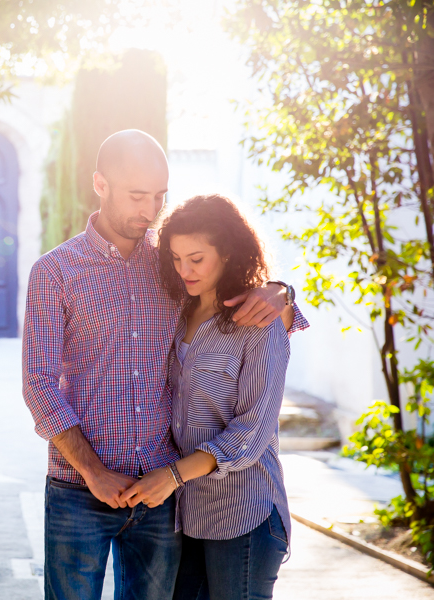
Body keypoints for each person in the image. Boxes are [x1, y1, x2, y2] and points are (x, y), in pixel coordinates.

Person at [22, 130, 302, 600]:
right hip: (77, 489)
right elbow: (39, 385)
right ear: (100, 184)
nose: (149, 211)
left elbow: (236, 296)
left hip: (161, 496)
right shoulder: (55, 272)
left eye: (159, 197)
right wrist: (94, 472)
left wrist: (283, 293)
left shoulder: (172, 262)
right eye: (137, 196)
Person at [120, 194, 307, 600]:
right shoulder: (174, 312)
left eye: (196, 259)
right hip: (185, 516)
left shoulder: (259, 320)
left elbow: (251, 434)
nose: (184, 270)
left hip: (244, 514)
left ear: (227, 252)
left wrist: (170, 476)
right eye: (175, 258)